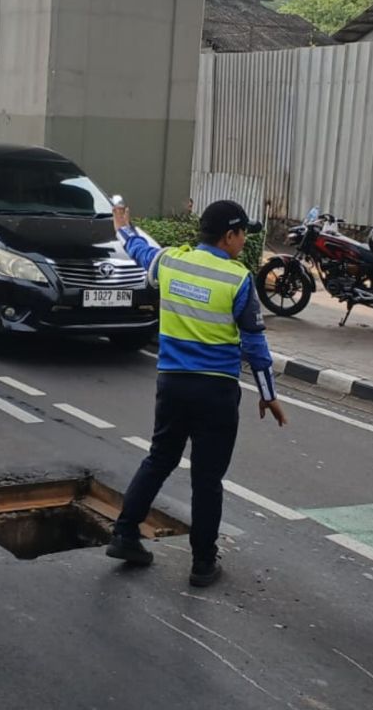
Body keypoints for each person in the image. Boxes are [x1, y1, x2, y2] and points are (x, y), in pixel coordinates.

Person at [106, 199, 288, 588]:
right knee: (207, 479)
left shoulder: (172, 262)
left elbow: (141, 252)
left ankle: (124, 534)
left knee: (159, 458)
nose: (244, 243)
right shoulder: (237, 279)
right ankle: (203, 562)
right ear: (229, 235)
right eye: (243, 235)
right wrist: (268, 394)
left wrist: (123, 227)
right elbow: (255, 345)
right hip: (216, 391)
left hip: (172, 384)